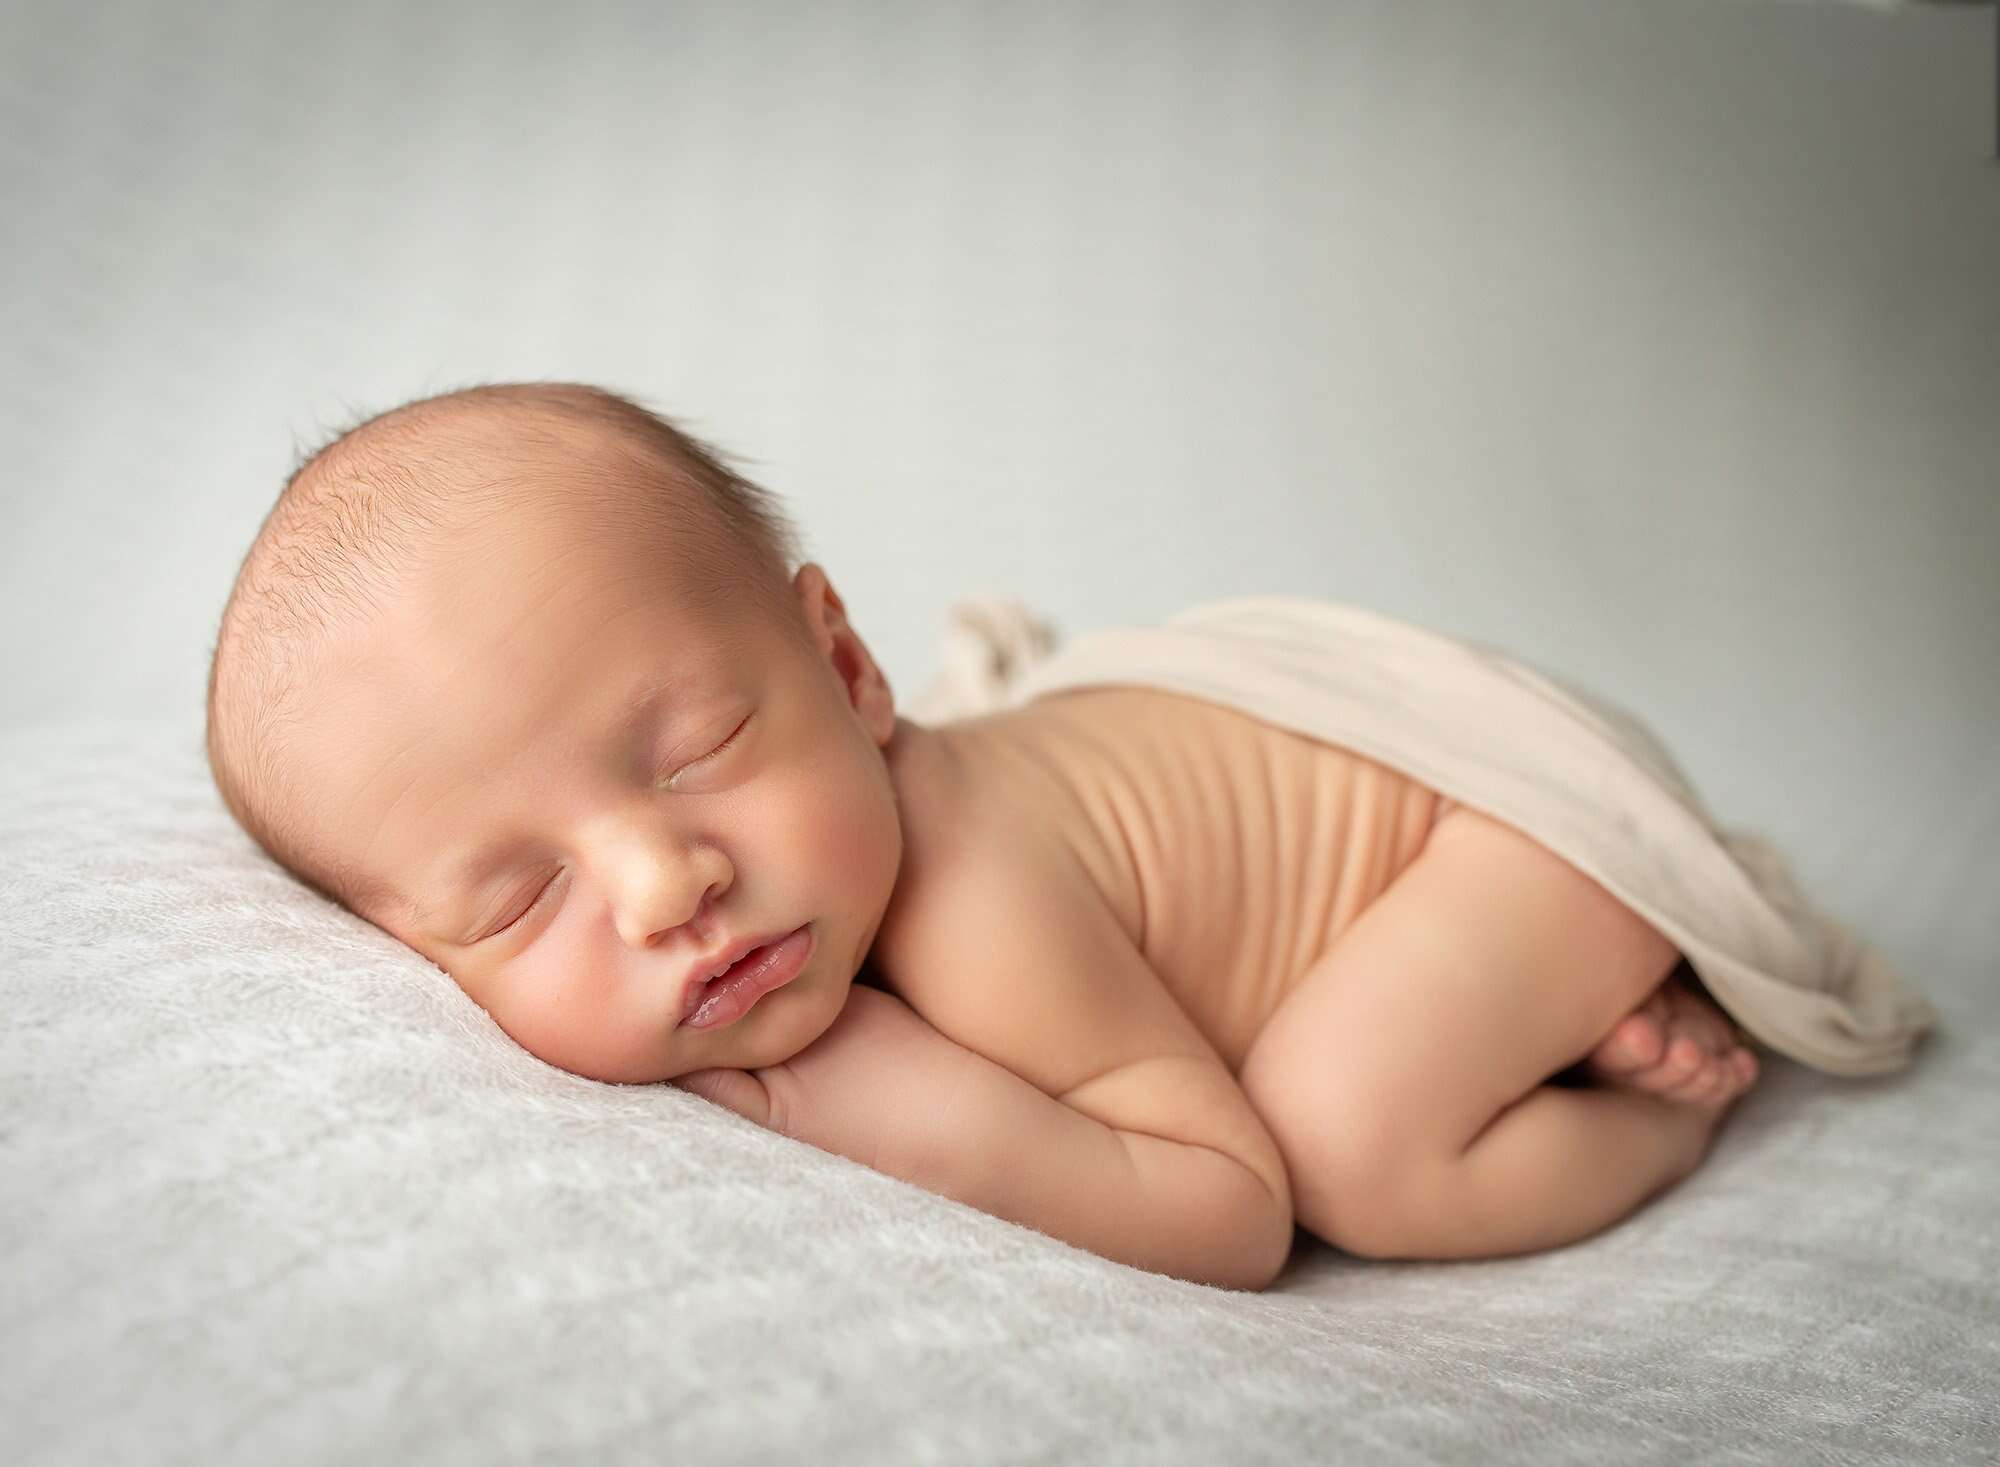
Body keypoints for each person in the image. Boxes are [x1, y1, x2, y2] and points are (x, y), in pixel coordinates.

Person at [205, 381, 1761, 1290]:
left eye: (703, 750)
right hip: (1407, 905)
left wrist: (891, 1098)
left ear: (849, 668)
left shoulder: (970, 898)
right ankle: (1543, 1021)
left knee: (1346, 1142)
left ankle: (1670, 1103)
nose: (663, 883)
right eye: (518, 897)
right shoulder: (768, 900)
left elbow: (1232, 1211)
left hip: (1500, 832)